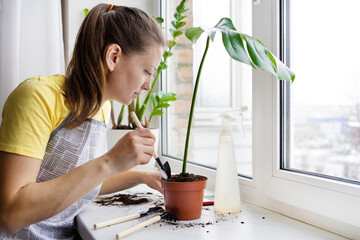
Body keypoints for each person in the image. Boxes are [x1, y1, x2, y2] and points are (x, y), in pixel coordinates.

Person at [0, 3, 165, 239]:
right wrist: (109, 161)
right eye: (147, 71)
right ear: (113, 56)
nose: (148, 84)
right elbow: (10, 215)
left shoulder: (101, 109)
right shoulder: (37, 97)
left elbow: (79, 185)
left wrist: (141, 176)